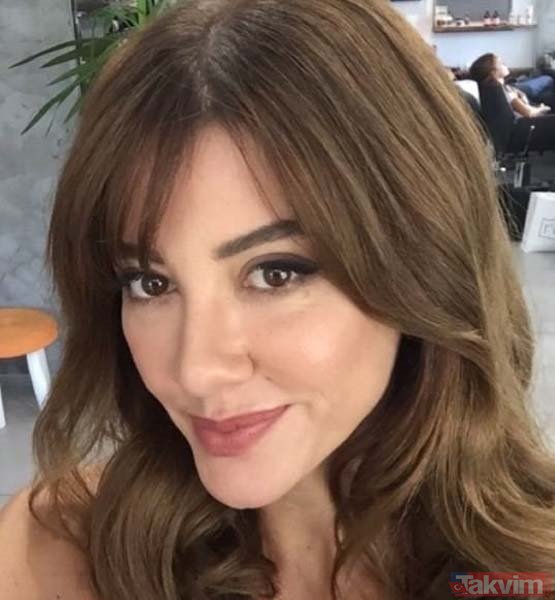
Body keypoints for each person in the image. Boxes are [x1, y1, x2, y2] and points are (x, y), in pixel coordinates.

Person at [1, 1, 555, 599]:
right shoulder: (54, 552)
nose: (195, 370)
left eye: (275, 273)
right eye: (149, 283)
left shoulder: (526, 569)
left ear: (423, 264)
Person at [469, 52, 552, 117]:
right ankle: (544, 69)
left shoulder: (488, 90)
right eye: (501, 63)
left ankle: (542, 70)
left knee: (547, 93)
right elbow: (529, 112)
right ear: (493, 73)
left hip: (519, 91)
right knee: (547, 79)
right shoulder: (503, 92)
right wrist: (542, 109)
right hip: (529, 119)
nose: (505, 64)